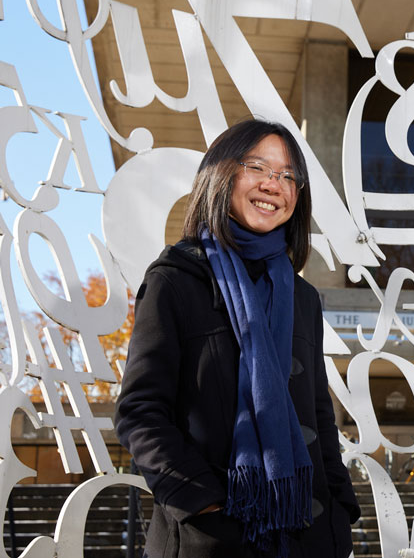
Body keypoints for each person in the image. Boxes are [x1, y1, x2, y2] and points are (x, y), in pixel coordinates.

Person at [115, 119, 359, 558]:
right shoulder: (175, 279)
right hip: (209, 538)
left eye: (288, 176)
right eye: (257, 167)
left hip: (309, 535)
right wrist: (203, 503)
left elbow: (319, 417)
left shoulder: (302, 296)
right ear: (220, 174)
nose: (274, 184)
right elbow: (140, 412)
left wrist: (341, 508)